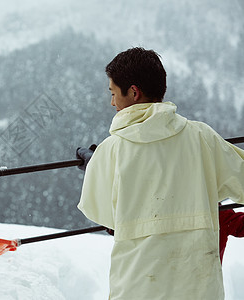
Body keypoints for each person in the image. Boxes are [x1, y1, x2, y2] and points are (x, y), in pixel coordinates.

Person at [76, 47, 244, 299]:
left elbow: (103, 215)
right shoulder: (202, 137)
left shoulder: (111, 150)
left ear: (133, 92)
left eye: (113, 93)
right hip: (199, 287)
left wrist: (97, 166)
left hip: (138, 286)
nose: (111, 102)